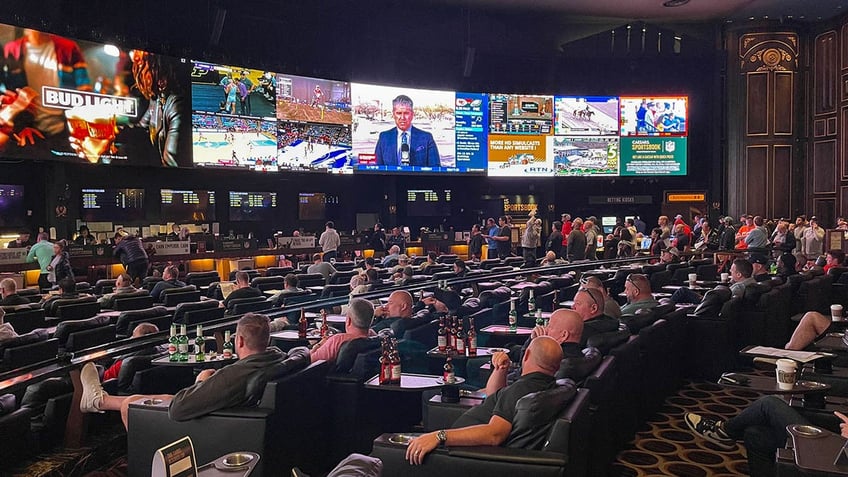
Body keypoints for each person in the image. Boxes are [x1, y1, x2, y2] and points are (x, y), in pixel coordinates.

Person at [80, 313, 310, 428]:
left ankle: (101, 402)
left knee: (131, 406)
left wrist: (201, 381)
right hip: (230, 413)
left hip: (214, 426)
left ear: (239, 341)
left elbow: (179, 409)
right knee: (138, 399)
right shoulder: (279, 357)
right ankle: (99, 400)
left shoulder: (237, 374)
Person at [404, 336, 563, 465]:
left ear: (526, 355)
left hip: (461, 457)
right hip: (461, 447)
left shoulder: (520, 390)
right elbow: (494, 395)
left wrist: (439, 436)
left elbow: (495, 434)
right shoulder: (547, 385)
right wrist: (501, 370)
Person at [685, 396, 848, 477]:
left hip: (838, 459)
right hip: (839, 448)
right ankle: (725, 432)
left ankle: (724, 432)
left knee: (768, 404)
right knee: (755, 435)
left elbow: (792, 347)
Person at [374, 95, 440, 167]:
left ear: (412, 114)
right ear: (393, 114)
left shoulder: (426, 138)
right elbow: (377, 168)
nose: (402, 118)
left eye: (406, 113)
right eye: (399, 113)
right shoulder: (384, 138)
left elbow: (436, 168)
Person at [311, 297, 375, 363]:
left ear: (348, 320)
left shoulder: (337, 340)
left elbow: (309, 360)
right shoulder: (373, 336)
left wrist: (319, 344)